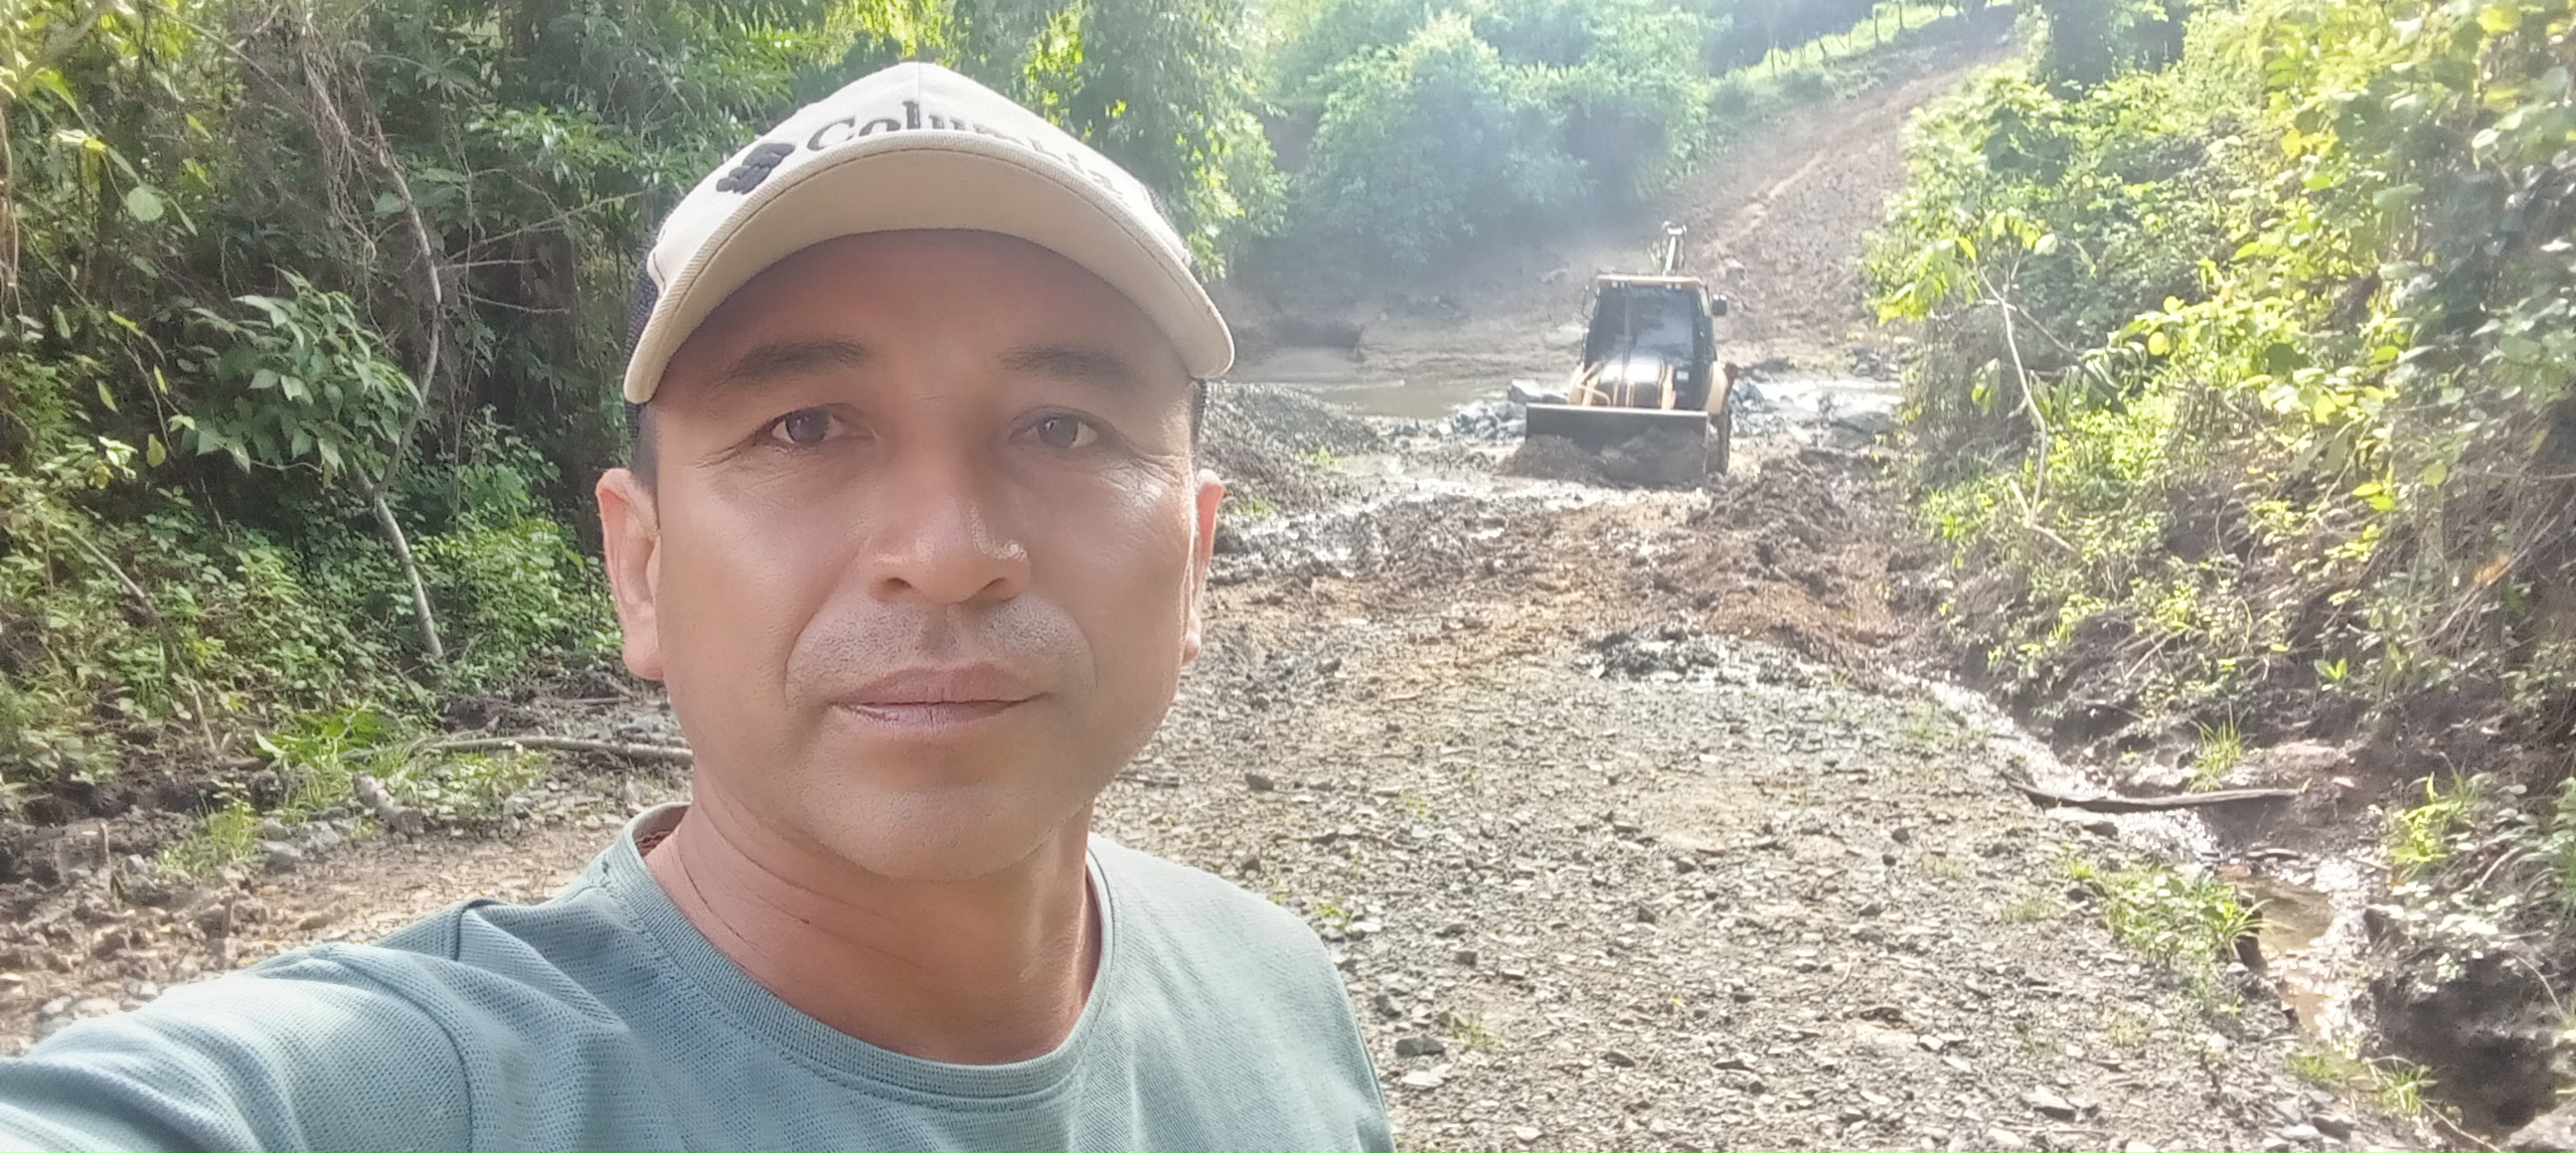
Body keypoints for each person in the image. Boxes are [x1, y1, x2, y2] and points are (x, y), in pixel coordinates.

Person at [0, 62, 1394, 1152]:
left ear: (1194, 558)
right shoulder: (421, 1091)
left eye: (1064, 429)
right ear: (642, 568)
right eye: (805, 426)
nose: (948, 552)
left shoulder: (1276, 997)